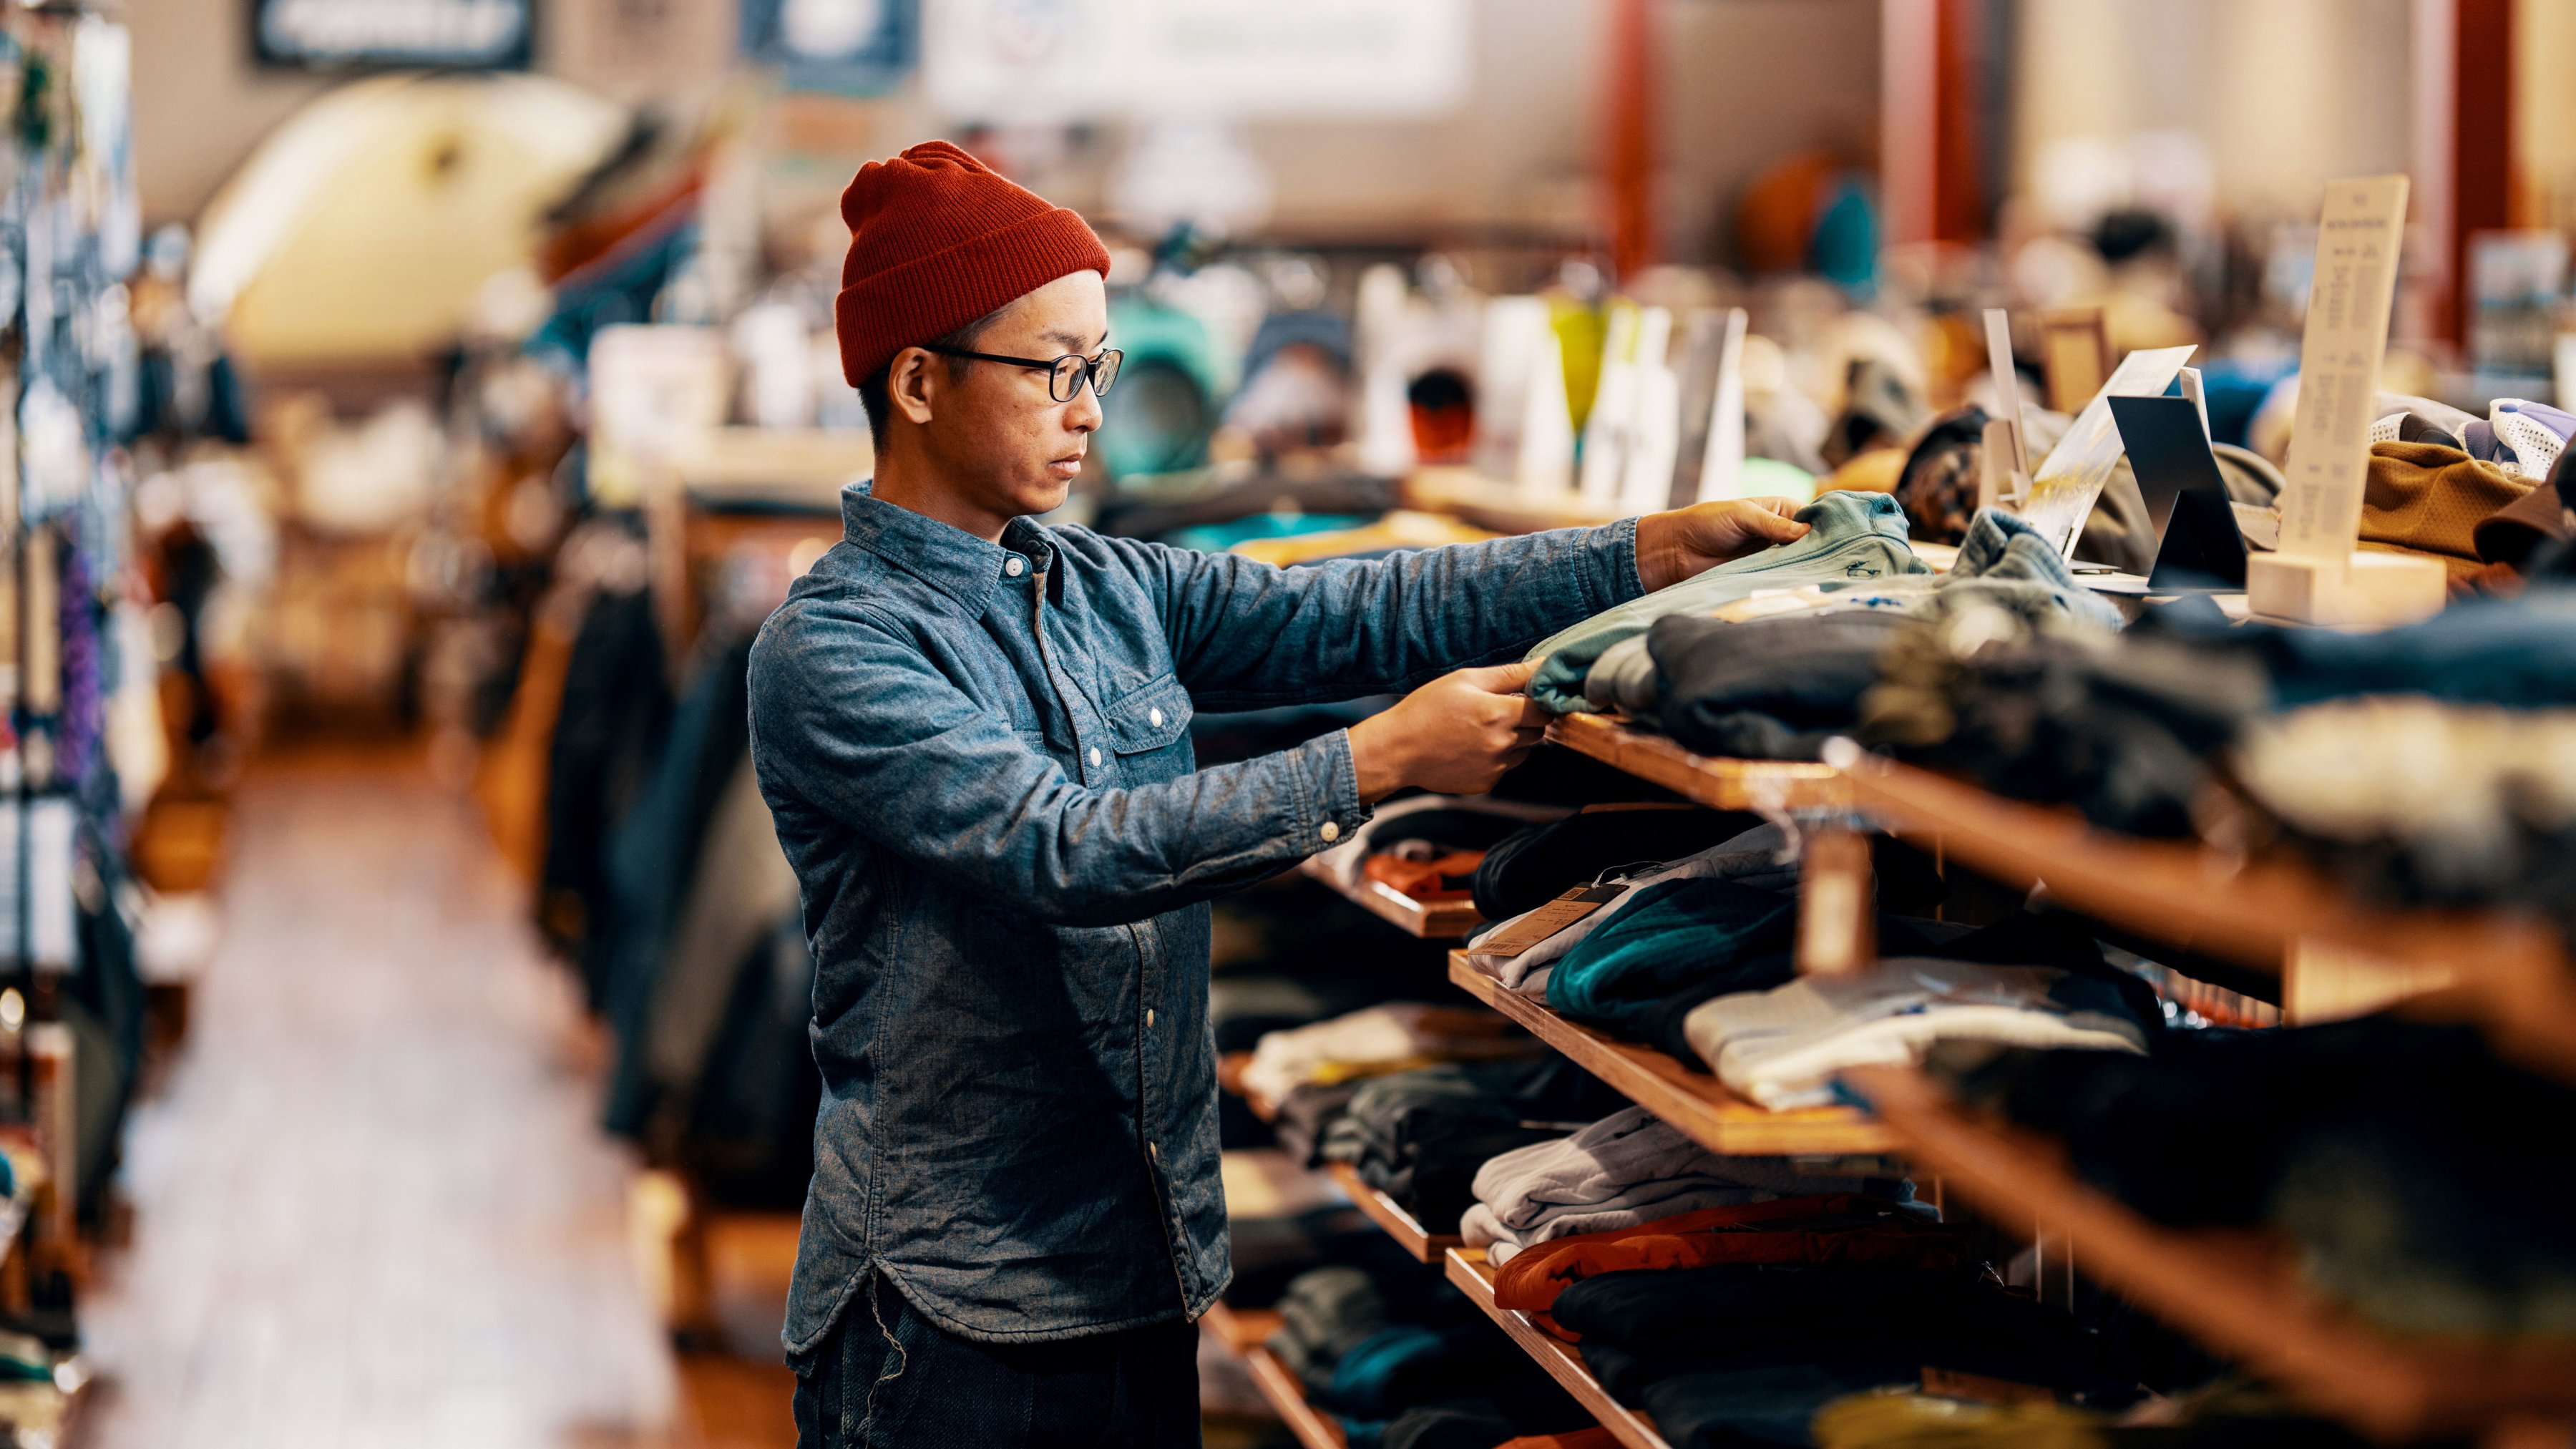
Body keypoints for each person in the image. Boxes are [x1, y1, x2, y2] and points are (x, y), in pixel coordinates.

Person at [747, 140, 1809, 1448]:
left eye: (1100, 367)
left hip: (1143, 1266)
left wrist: (1649, 549)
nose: (1089, 408)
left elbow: (1363, 606)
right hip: (954, 1309)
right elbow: (1062, 850)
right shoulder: (834, 648)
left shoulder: (1101, 585)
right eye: (1052, 371)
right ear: (916, 379)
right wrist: (1376, 763)